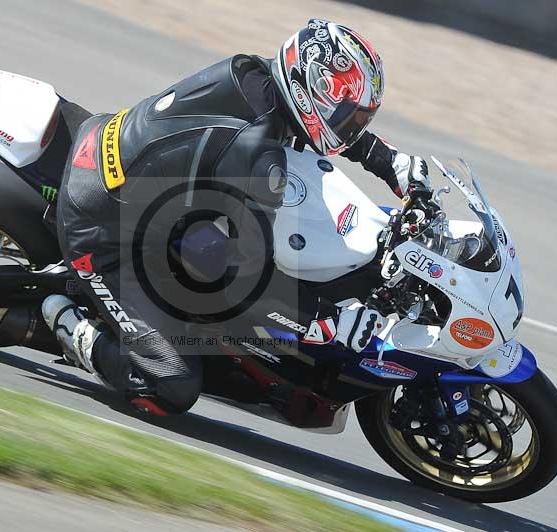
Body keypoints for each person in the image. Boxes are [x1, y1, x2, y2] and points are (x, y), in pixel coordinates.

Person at [41, 19, 429, 416]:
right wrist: (326, 320)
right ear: (309, 88)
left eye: (360, 120)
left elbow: (316, 122)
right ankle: (72, 325)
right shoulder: (259, 155)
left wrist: (388, 161)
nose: (352, 128)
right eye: (350, 117)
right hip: (101, 231)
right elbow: (243, 285)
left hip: (121, 165)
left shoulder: (257, 75)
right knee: (172, 386)